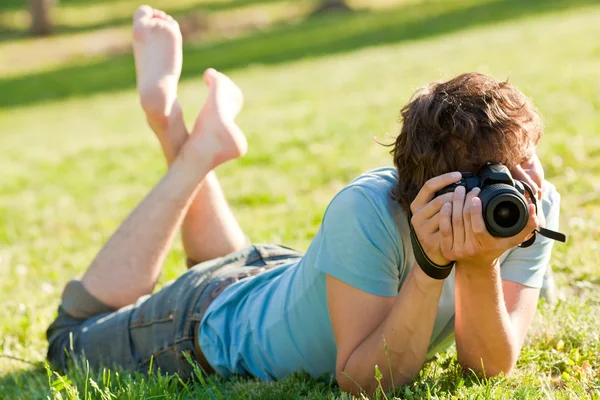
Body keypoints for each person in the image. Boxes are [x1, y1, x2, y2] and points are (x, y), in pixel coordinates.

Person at [46, 6, 562, 396]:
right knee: (67, 339)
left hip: (284, 279)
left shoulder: (525, 208)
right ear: (443, 186)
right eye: (502, 175)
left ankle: (195, 145)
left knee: (221, 267)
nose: (524, 185)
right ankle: (176, 135)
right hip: (202, 322)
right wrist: (432, 265)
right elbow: (365, 382)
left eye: (528, 160)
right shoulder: (366, 209)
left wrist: (479, 265)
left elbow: (487, 367)